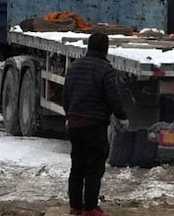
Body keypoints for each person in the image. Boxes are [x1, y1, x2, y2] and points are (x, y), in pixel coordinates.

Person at [62, 32, 128, 216]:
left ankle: (75, 207)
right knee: (94, 167)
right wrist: (122, 117)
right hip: (94, 124)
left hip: (75, 123)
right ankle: (90, 208)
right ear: (105, 49)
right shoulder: (106, 70)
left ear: (89, 46)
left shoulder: (74, 67)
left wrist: (69, 116)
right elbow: (113, 97)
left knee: (77, 166)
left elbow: (66, 95)